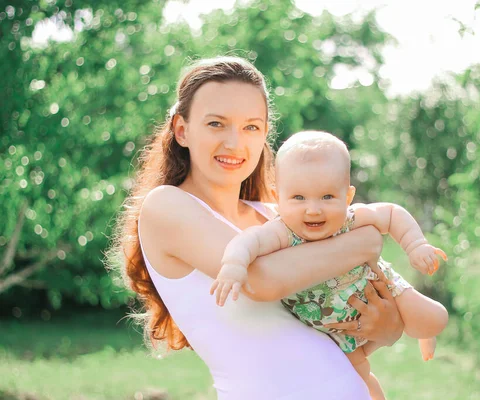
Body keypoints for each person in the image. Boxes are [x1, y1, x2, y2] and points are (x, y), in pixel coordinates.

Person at [109, 57, 407, 400]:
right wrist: (367, 240)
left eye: (251, 126)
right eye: (217, 124)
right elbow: (260, 279)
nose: (235, 143)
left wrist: (388, 327)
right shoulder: (167, 206)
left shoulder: (276, 217)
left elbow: (364, 298)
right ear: (182, 130)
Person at [211, 130, 449, 399]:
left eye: (327, 197)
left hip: (378, 287)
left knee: (435, 319)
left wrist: (416, 245)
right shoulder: (282, 232)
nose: (313, 209)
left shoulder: (350, 218)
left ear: (347, 197)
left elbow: (392, 213)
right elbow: (247, 241)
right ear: (278, 197)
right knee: (358, 378)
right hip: (335, 331)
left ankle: (420, 329)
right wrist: (233, 265)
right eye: (298, 198)